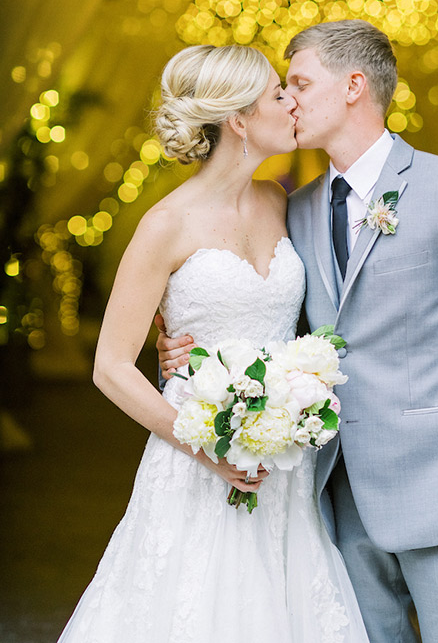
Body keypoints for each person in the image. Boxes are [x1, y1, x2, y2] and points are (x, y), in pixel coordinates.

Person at [159, 19, 438, 643]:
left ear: (355, 85)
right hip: (334, 495)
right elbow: (266, 317)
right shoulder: (293, 206)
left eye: (299, 83)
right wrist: (184, 351)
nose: (287, 99)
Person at [57, 43, 370, 643]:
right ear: (239, 119)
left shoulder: (280, 202)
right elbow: (110, 366)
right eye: (280, 93)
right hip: (195, 465)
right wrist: (208, 450)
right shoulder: (165, 225)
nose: (292, 103)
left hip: (284, 468)